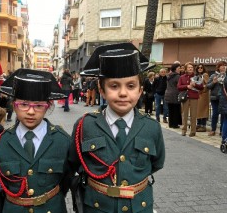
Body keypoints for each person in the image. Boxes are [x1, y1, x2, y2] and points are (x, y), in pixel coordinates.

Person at [69, 43, 165, 213]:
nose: (122, 93)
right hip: (98, 207)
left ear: (140, 90)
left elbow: (156, 163)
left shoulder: (152, 127)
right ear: (102, 90)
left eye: (130, 86)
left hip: (139, 207)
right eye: (114, 86)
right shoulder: (85, 125)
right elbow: (76, 162)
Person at [0, 69, 72, 213]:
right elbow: (2, 182)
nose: (30, 111)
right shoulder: (1, 142)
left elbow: (66, 179)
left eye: (39, 106)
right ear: (13, 105)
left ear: (48, 106)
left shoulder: (63, 140)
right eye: (23, 104)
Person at [177, 62, 204, 137]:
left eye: (191, 67)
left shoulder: (197, 77)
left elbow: (201, 87)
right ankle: (184, 130)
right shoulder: (182, 77)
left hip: (194, 97)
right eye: (189, 67)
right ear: (186, 69)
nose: (190, 68)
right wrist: (187, 86)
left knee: (193, 115)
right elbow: (179, 87)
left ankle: (193, 131)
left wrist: (195, 85)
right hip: (185, 97)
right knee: (184, 114)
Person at [206, 61, 227, 136]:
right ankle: (213, 129)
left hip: (224, 98)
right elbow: (208, 86)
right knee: (215, 113)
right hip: (215, 98)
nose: (223, 67)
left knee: (223, 114)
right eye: (222, 66)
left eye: (225, 65)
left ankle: (222, 130)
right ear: (218, 67)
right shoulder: (213, 75)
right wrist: (214, 82)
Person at [164, 62, 182, 128]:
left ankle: (170, 124)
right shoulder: (177, 76)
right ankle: (175, 124)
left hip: (168, 94)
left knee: (171, 110)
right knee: (176, 110)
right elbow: (179, 86)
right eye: (179, 68)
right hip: (175, 94)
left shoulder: (169, 76)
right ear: (175, 69)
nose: (180, 69)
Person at [195, 64, 210, 132]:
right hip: (197, 94)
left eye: (201, 67)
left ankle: (203, 125)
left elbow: (208, 85)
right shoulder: (196, 76)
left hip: (203, 95)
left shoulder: (205, 75)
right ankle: (198, 124)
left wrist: (203, 88)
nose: (200, 69)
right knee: (197, 110)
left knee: (203, 110)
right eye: (198, 67)